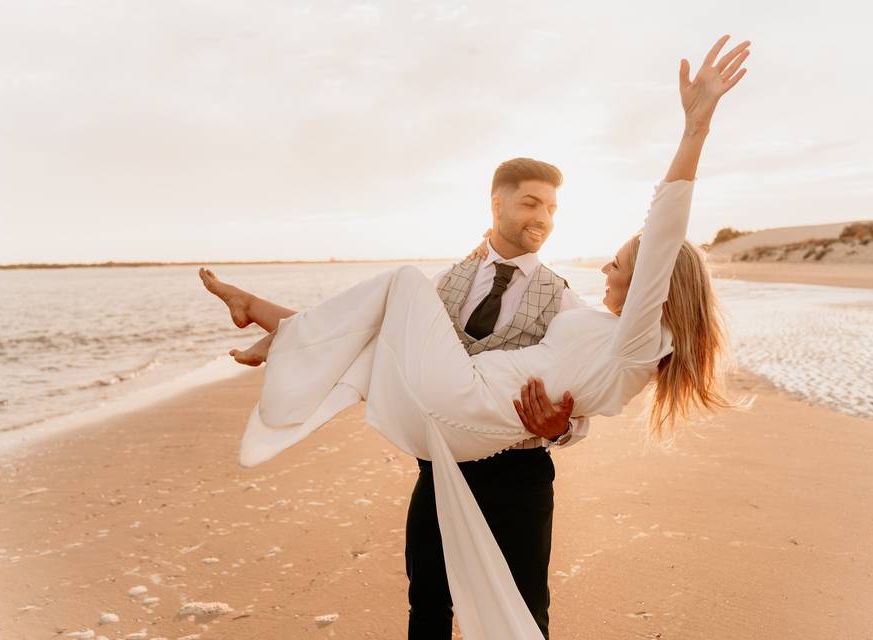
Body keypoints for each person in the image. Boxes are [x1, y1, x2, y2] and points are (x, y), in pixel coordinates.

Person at [199, 34, 748, 639]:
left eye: (552, 209)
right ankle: (271, 326)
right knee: (427, 606)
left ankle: (269, 326)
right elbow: (381, 337)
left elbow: (595, 378)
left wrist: (561, 428)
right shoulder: (457, 282)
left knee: (521, 611)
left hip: (513, 468)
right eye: (531, 203)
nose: (544, 219)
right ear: (497, 203)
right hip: (443, 449)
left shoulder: (583, 308)